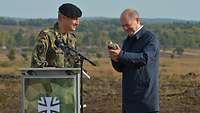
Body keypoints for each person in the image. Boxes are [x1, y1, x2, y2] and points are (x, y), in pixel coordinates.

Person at [108, 8, 160, 113]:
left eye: (127, 25)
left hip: (145, 101)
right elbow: (121, 68)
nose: (125, 29)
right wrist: (115, 58)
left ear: (137, 20)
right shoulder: (127, 41)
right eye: (123, 26)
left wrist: (121, 54)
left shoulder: (150, 38)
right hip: (128, 101)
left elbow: (145, 58)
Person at [31, 3, 82, 68]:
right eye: (75, 19)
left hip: (69, 78)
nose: (77, 23)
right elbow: (37, 64)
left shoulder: (72, 39)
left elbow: (76, 64)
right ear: (63, 18)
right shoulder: (47, 36)